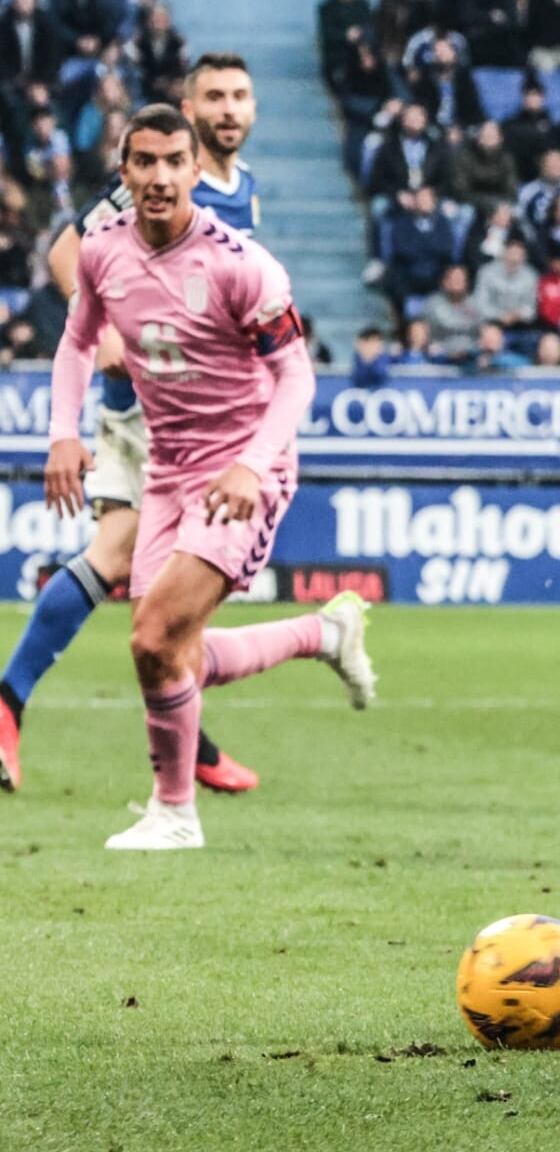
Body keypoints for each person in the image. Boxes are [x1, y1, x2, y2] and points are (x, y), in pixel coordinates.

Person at [45, 105, 377, 848]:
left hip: (243, 472)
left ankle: (175, 813)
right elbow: (75, 340)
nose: (159, 178)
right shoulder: (102, 251)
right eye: (144, 163)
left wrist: (253, 465)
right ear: (124, 174)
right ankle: (323, 633)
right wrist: (62, 434)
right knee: (171, 648)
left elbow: (296, 378)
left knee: (156, 638)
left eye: (173, 162)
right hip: (167, 465)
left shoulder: (238, 264)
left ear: (197, 170)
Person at [1, 54, 267, 795]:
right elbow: (65, 250)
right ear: (186, 107)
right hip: (153, 415)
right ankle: (14, 698)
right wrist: (108, 333)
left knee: (158, 583)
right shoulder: (152, 181)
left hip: (202, 413)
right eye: (212, 96)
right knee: (138, 567)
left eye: (239, 96)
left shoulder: (243, 191)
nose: (227, 109)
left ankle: (187, 737)